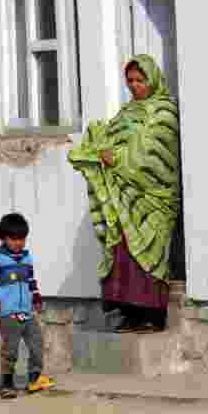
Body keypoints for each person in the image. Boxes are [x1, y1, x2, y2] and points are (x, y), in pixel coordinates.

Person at [68, 55, 181, 334]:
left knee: (149, 252)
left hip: (153, 198)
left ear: (152, 79)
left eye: (140, 80)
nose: (134, 86)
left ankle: (152, 314)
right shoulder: (126, 112)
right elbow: (112, 138)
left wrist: (115, 157)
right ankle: (129, 312)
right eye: (130, 81)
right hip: (124, 196)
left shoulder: (164, 113)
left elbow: (151, 152)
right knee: (123, 252)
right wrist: (98, 141)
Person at [0, 213, 56, 399]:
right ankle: (7, 383)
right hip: (7, 312)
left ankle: (34, 378)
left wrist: (36, 298)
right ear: (3, 238)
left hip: (27, 311)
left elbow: (30, 280)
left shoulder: (26, 258)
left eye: (22, 238)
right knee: (11, 349)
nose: (18, 243)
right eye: (13, 239)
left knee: (37, 343)